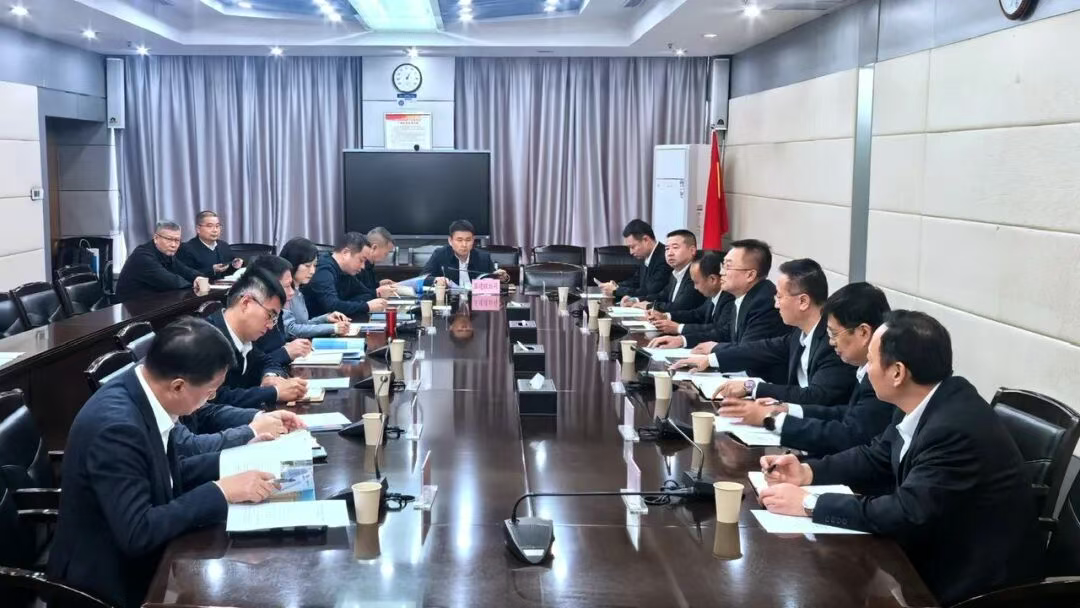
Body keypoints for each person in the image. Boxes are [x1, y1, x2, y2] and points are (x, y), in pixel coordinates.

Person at [757, 311, 1042, 605]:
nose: (866, 370)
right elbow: (877, 456)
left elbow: (907, 512)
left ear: (897, 372)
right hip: (929, 553)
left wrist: (809, 504)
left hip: (972, 582)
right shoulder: (926, 399)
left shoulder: (953, 428)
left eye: (870, 361)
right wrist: (807, 472)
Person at [47, 317, 282, 608]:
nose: (210, 400)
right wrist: (220, 491)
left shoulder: (144, 388)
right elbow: (138, 532)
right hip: (107, 583)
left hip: (146, 556)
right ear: (178, 386)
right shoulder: (117, 428)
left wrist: (237, 461)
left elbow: (165, 473)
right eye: (209, 391)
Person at [717, 282, 896, 456]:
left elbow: (849, 434)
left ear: (863, 332)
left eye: (834, 334)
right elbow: (846, 413)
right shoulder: (864, 368)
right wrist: (787, 409)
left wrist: (774, 419)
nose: (831, 342)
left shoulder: (881, 377)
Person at [673, 258, 855, 406]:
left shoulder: (833, 341)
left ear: (803, 302)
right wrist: (711, 359)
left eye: (779, 296)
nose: (776, 304)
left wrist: (752, 387)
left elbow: (815, 396)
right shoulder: (800, 333)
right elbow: (764, 348)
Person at [649, 239, 786, 350]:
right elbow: (725, 333)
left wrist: (712, 355)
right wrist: (682, 340)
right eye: (723, 265)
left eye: (728, 266)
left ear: (750, 275)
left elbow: (748, 349)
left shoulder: (764, 301)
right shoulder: (743, 295)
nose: (721, 272)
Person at [206, 267, 307, 407]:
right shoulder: (205, 339)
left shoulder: (244, 338)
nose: (271, 326)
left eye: (275, 319)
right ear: (246, 303)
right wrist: (274, 392)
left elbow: (267, 361)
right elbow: (213, 399)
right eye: (270, 315)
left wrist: (270, 377)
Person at [115, 220, 209, 302]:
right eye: (169, 239)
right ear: (156, 238)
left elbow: (185, 270)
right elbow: (171, 281)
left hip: (155, 301)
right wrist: (196, 285)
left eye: (177, 240)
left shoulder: (166, 253)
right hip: (132, 306)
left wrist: (198, 277)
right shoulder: (142, 256)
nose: (173, 245)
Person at [303, 233, 389, 318]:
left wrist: (377, 294)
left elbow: (364, 292)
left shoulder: (346, 271)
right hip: (316, 324)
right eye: (361, 260)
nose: (363, 267)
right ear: (345, 253)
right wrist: (367, 306)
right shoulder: (323, 270)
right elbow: (332, 306)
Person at [247, 255, 313, 365]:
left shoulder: (279, 313)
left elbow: (275, 348)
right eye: (287, 286)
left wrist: (288, 347)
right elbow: (253, 367)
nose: (292, 292)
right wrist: (285, 352)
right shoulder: (253, 319)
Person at [279, 237, 351, 338]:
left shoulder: (298, 291)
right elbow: (290, 329)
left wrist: (325, 318)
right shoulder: (283, 291)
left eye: (315, 265)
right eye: (307, 266)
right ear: (293, 263)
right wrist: (333, 328)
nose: (312, 271)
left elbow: (303, 324)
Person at [597, 219, 670, 304]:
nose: (631, 252)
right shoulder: (646, 256)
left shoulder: (664, 258)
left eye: (633, 247)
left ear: (645, 240)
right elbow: (635, 281)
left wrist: (616, 290)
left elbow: (649, 291)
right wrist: (616, 285)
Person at [633, 230, 705, 313]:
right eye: (667, 248)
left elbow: (680, 307)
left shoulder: (697, 274)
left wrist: (650, 306)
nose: (669, 253)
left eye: (675, 247)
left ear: (692, 250)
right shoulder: (676, 273)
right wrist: (637, 300)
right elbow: (662, 296)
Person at [423, 219, 509, 287]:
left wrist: (503, 278)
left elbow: (494, 279)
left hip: (476, 301)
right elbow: (422, 279)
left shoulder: (484, 257)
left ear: (473, 240)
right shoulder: (440, 254)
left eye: (468, 240)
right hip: (450, 300)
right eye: (459, 240)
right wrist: (436, 280)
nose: (464, 244)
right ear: (450, 241)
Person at [175, 211, 243, 279]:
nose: (215, 230)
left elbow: (228, 272)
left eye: (217, 226)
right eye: (210, 226)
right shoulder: (186, 248)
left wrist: (234, 266)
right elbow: (185, 275)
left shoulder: (223, 245)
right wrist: (212, 270)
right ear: (198, 229)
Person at [358, 227, 400, 298]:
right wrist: (377, 293)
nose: (387, 256)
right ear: (374, 247)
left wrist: (378, 285)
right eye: (386, 253)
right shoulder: (358, 266)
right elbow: (358, 295)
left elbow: (367, 288)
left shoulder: (370, 264)